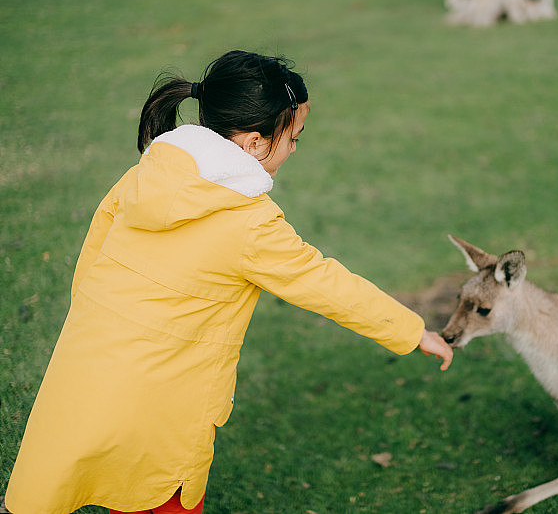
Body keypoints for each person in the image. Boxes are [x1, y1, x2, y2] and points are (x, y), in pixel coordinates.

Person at [4, 50, 453, 514]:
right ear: (256, 144)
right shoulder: (249, 223)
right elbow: (324, 283)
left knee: (77, 479)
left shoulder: (144, 176)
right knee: (158, 490)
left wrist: (92, 322)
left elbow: (93, 256)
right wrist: (411, 330)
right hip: (161, 398)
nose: (294, 149)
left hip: (89, 367)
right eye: (294, 138)